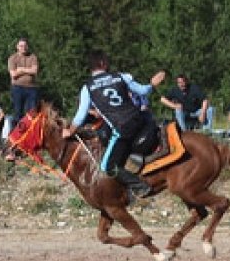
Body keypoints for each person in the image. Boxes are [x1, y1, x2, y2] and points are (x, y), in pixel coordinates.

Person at [64, 51, 166, 198]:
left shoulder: (87, 88)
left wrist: (69, 131)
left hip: (123, 128)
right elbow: (142, 91)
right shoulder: (121, 76)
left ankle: (140, 186)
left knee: (107, 166)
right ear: (102, 64)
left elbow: (80, 116)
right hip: (139, 118)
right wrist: (152, 84)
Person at [8, 38, 40, 128]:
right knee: (18, 112)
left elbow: (34, 71)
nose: (23, 48)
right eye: (21, 46)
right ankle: (16, 135)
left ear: (28, 46)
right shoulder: (12, 58)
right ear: (17, 47)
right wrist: (28, 70)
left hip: (32, 88)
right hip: (17, 88)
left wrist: (21, 69)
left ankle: (30, 135)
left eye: (25, 46)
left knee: (32, 113)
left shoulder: (33, 57)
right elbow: (13, 74)